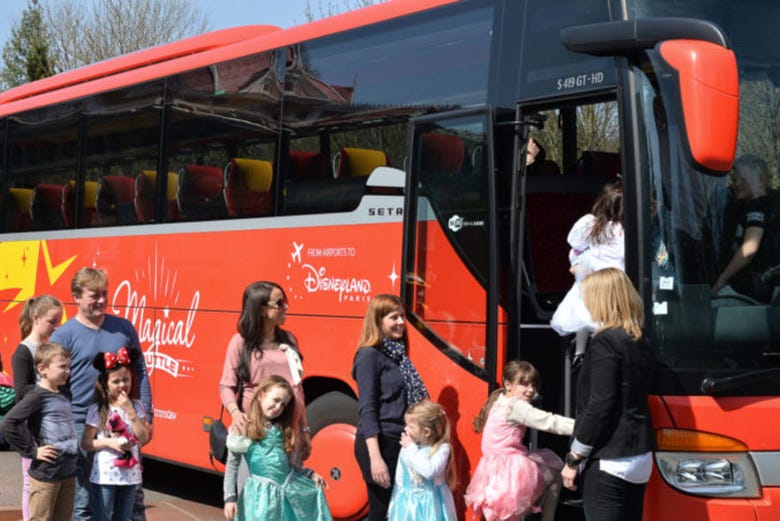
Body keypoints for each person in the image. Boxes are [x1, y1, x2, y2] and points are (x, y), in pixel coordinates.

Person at [50, 267, 152, 521]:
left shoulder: (123, 327)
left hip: (124, 420)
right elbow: (54, 383)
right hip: (82, 421)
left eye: (105, 294)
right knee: (85, 498)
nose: (102, 300)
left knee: (133, 496)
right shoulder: (64, 334)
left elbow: (140, 370)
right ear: (76, 296)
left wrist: (146, 412)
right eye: (94, 295)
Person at [561, 268, 655, 521]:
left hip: (610, 457)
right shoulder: (639, 339)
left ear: (602, 299)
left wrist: (574, 457)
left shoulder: (605, 341)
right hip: (640, 456)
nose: (587, 304)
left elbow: (600, 404)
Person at [465, 360, 573, 521]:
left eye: (533, 385)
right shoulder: (516, 407)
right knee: (556, 469)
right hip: (511, 470)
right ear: (508, 384)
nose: (530, 390)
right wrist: (583, 427)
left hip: (491, 471)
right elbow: (550, 422)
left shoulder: (498, 401)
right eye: (524, 384)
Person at [352, 294, 429, 521]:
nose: (401, 322)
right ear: (378, 321)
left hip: (400, 441)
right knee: (380, 512)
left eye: (403, 316)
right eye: (393, 317)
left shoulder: (398, 355)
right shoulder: (369, 356)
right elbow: (367, 409)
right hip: (380, 443)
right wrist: (375, 458)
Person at [222, 375, 331, 521]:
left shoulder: (279, 429)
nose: (278, 407)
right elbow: (232, 465)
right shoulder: (244, 427)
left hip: (285, 492)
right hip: (260, 499)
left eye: (283, 404)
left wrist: (308, 474)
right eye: (276, 400)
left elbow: (283, 467)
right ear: (261, 395)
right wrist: (230, 498)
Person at [1, 342, 78, 521]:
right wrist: (32, 450)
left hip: (68, 473)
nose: (68, 371)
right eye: (62, 367)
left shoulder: (64, 393)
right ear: (42, 369)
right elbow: (8, 423)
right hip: (46, 475)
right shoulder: (36, 396)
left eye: (69, 366)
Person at [551, 181, 624, 361]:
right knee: (608, 319)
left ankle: (580, 352)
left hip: (590, 282)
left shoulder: (591, 225)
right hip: (615, 283)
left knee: (584, 316)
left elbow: (575, 244)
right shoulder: (623, 231)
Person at [81, 348, 150, 521]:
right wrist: (109, 443)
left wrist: (130, 410)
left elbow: (143, 437)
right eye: (116, 381)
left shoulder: (137, 405)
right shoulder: (98, 409)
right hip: (105, 476)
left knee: (124, 518)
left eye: (126, 380)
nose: (122, 385)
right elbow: (86, 443)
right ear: (105, 384)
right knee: (102, 517)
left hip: (130, 476)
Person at [12, 294, 64, 521]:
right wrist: (47, 390)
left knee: (53, 482)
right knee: (30, 482)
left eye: (58, 321)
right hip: (34, 428)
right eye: (52, 321)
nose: (56, 326)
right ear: (36, 318)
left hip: (53, 426)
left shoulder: (51, 348)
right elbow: (21, 391)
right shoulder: (24, 352)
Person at [713, 155, 776, 302]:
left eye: (743, 179)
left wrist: (721, 280)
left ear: (761, 180)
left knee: (713, 308)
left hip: (757, 285)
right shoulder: (773, 204)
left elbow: (749, 249)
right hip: (771, 286)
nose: (736, 184)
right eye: (734, 180)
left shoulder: (757, 206)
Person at [387, 400, 456, 521]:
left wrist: (411, 449)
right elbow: (399, 480)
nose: (405, 429)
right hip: (408, 507)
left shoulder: (441, 449)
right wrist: (392, 506)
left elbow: (429, 471)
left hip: (432, 508)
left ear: (426, 432)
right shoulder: (406, 448)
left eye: (410, 426)